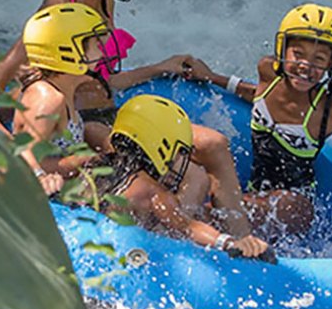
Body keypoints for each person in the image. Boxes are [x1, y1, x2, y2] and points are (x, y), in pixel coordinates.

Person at [0, 0, 251, 236]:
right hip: (87, 125)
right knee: (197, 163)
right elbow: (9, 68)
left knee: (214, 145)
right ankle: (180, 237)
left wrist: (159, 67)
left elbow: (102, 80)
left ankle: (232, 237)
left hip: (109, 112)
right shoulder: (58, 7)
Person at [185, 3, 332, 235]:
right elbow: (255, 94)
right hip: (255, 192)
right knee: (196, 188)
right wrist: (211, 77)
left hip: (295, 204)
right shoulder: (268, 71)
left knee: (214, 212)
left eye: (319, 60)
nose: (305, 66)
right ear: (282, 50)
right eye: (298, 54)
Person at [90, 94, 270, 259]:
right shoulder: (153, 192)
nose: (180, 159)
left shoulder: (94, 164)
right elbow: (187, 227)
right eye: (179, 153)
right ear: (161, 149)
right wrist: (228, 242)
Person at [13, 2, 121, 196]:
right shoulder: (48, 98)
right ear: (69, 52)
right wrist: (53, 171)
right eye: (96, 45)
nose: (102, 52)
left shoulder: (65, 89)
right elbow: (21, 154)